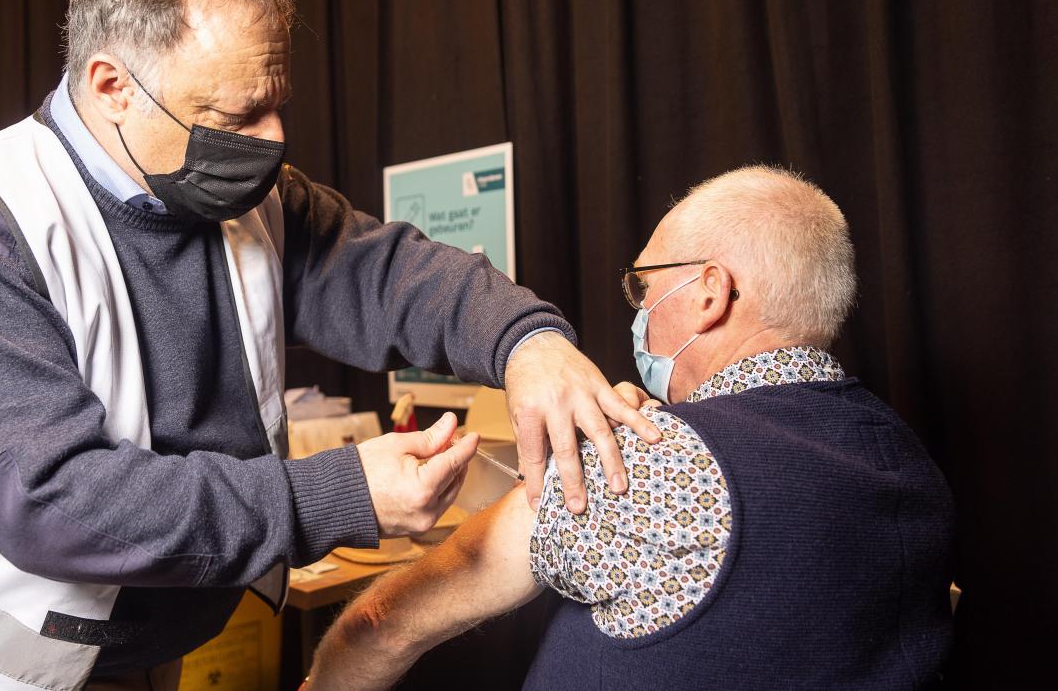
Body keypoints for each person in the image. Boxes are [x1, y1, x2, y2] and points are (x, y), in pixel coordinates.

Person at [0, 0, 661, 689]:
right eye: (233, 117)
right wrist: (340, 496)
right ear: (111, 85)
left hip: (152, 652)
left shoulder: (253, 197)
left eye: (276, 105)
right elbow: (53, 500)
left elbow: (392, 276)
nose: (270, 142)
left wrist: (527, 343)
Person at [307, 166, 955, 690]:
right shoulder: (908, 462)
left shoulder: (646, 460)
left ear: (708, 293)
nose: (638, 312)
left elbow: (382, 622)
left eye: (643, 287)